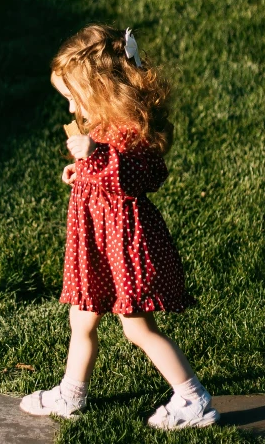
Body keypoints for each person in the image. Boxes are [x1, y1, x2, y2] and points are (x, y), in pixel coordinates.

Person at [19, 24, 220, 429]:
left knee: (137, 327)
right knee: (82, 318)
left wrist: (94, 156)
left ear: (100, 88)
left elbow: (141, 176)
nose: (72, 107)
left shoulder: (130, 128)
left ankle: (194, 398)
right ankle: (71, 393)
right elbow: (105, 176)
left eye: (74, 97)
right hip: (96, 242)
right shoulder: (103, 127)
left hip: (124, 243)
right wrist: (82, 171)